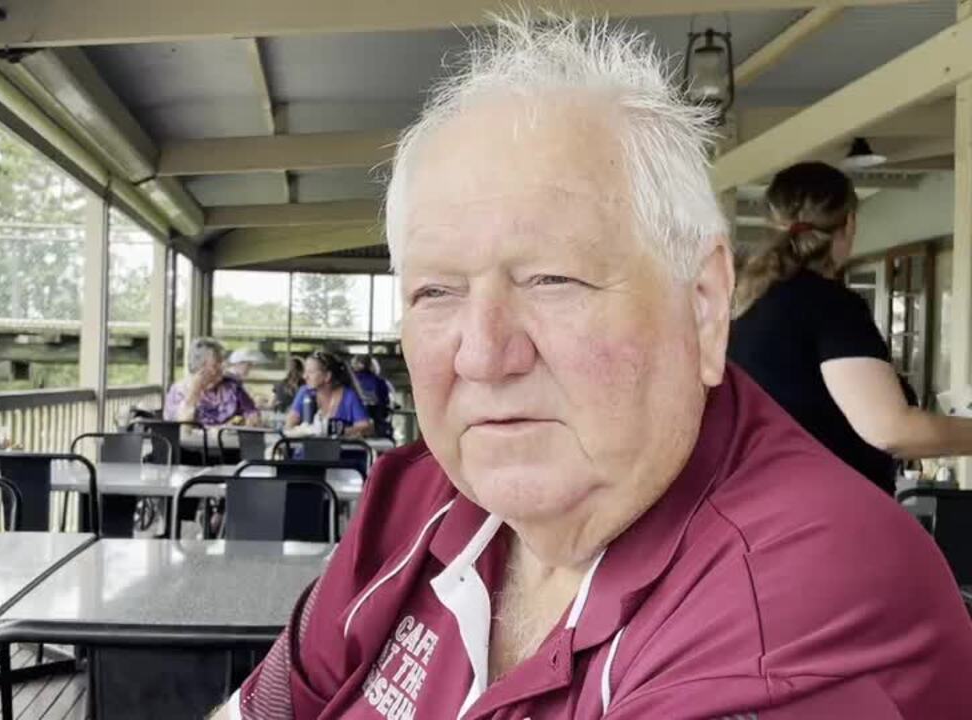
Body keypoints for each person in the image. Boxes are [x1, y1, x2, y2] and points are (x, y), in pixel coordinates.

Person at [217, 15, 972, 719]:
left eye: (553, 279)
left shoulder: (813, 604)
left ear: (705, 305)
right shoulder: (416, 503)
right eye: (436, 291)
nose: (482, 354)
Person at [730, 162, 972, 496]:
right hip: (825, 512)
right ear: (849, 224)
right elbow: (891, 429)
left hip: (765, 502)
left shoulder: (746, 302)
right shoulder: (828, 305)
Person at [163, 337, 259, 426]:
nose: (222, 366)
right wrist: (193, 394)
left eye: (222, 361)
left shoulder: (231, 386)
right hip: (194, 443)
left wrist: (248, 420)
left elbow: (252, 412)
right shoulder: (179, 391)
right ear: (200, 366)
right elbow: (179, 429)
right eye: (217, 362)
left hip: (229, 442)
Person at [284, 350, 372, 438]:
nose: (305, 377)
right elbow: (290, 425)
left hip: (340, 450)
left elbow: (366, 428)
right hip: (309, 450)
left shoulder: (349, 396)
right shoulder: (304, 392)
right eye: (305, 372)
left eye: (310, 372)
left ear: (327, 376)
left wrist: (335, 431)